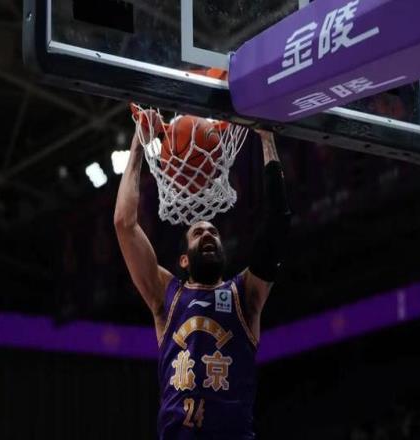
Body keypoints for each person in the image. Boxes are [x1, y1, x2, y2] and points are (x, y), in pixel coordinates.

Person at [114, 115, 291, 439]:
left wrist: (267, 139)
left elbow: (277, 224)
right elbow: (124, 224)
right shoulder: (166, 295)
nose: (208, 234)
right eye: (198, 233)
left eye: (213, 232)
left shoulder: (244, 295)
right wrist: (139, 143)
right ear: (184, 259)